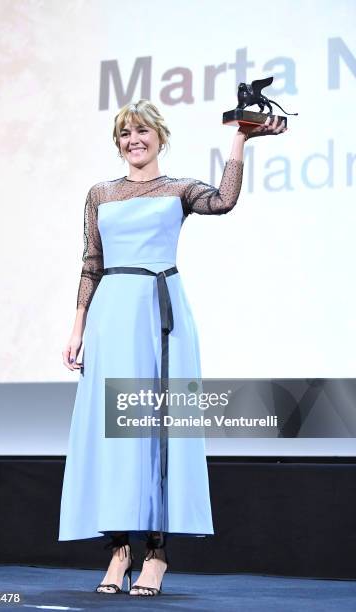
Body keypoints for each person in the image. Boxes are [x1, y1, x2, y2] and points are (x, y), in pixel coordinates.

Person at [59, 99, 287, 596]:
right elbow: (90, 261)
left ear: (160, 137)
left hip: (161, 315)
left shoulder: (178, 189)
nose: (133, 140)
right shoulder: (100, 193)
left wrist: (240, 141)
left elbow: (223, 201)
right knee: (111, 432)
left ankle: (157, 554)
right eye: (125, 134)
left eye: (142, 131)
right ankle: (118, 551)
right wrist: (78, 325)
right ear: (118, 143)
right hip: (112, 314)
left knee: (156, 426)